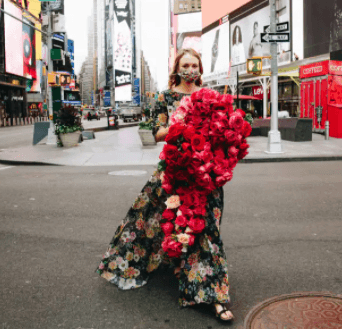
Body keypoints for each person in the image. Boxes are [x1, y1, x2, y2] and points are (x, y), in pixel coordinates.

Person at [96, 48, 234, 322]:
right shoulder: (166, 96)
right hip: (174, 172)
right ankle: (167, 262)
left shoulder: (212, 97)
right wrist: (179, 126)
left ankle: (215, 295)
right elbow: (153, 132)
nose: (191, 70)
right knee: (148, 220)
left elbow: (223, 133)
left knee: (207, 232)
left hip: (205, 177)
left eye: (195, 65)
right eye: (186, 65)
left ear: (201, 68)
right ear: (177, 68)